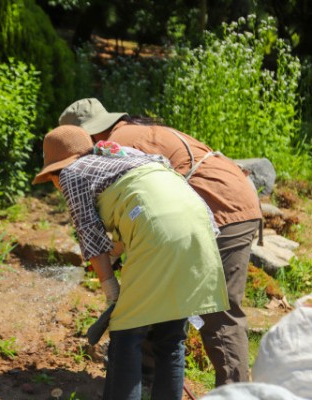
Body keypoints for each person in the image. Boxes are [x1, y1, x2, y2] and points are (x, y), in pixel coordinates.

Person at [59, 98, 263, 387]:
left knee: (220, 314)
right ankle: (148, 379)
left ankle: (235, 393)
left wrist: (108, 275)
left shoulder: (116, 145)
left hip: (222, 207)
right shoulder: (131, 134)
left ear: (86, 137)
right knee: (160, 300)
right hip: (230, 198)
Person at [33, 125, 229, 400]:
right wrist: (116, 251)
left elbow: (88, 232)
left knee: (127, 334)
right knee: (170, 338)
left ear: (56, 170)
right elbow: (152, 205)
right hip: (198, 224)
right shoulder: (127, 156)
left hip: (157, 230)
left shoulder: (72, 174)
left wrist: (110, 287)